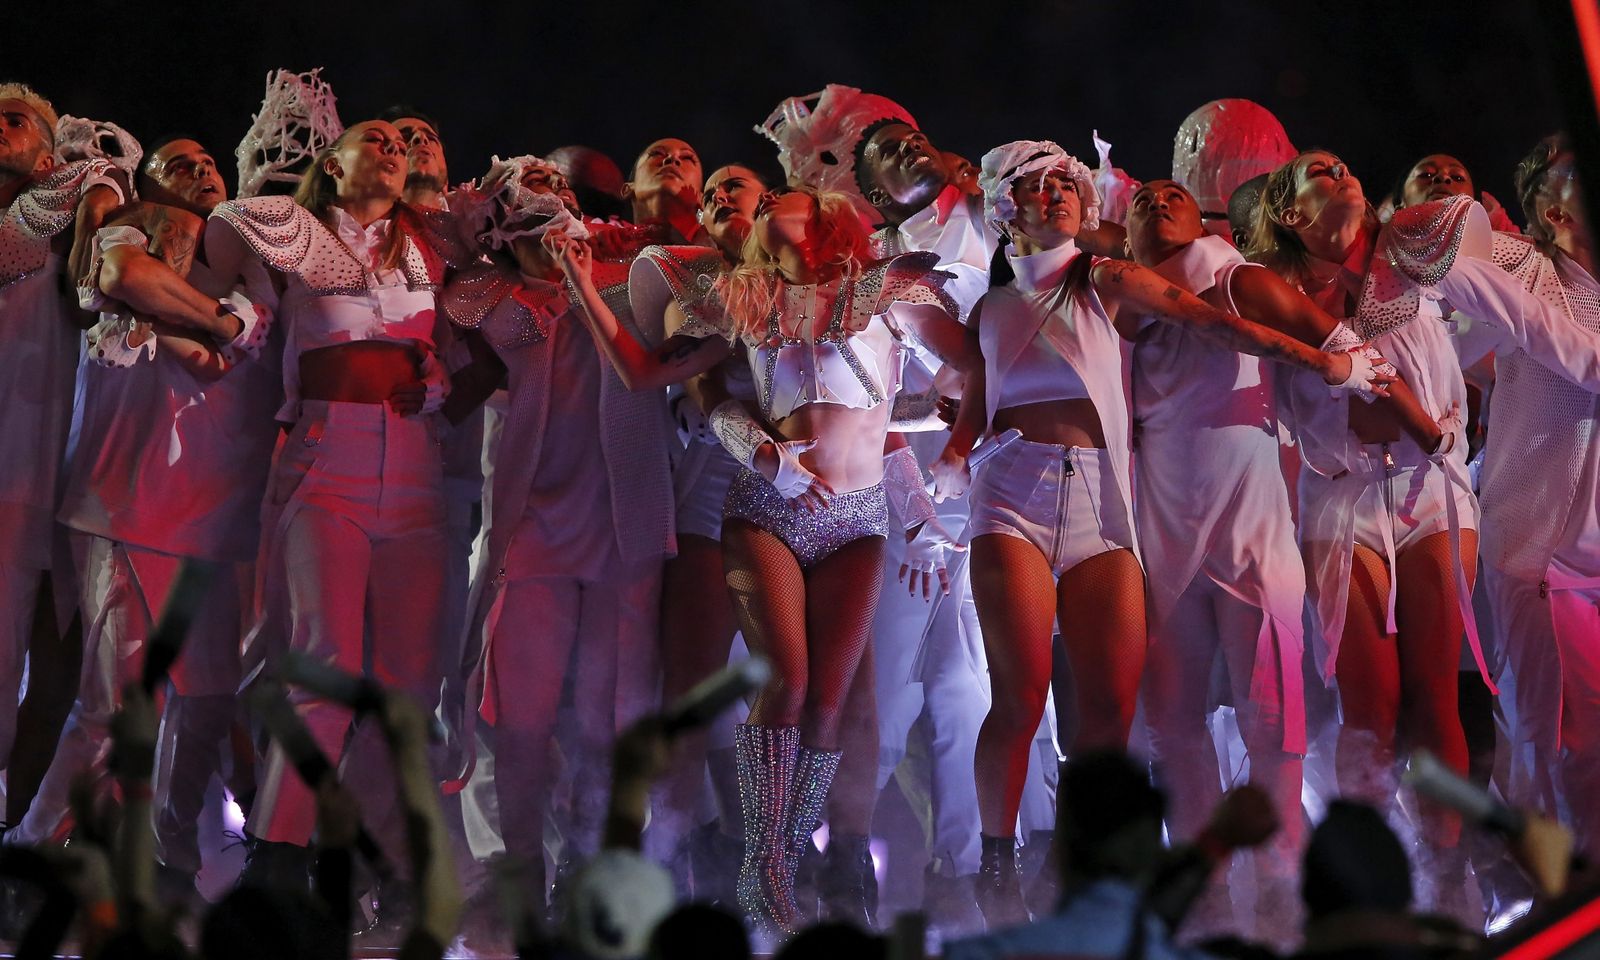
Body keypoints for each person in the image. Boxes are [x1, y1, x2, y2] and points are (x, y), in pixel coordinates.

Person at [936, 141, 1384, 928]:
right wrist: (947, 456)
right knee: (1023, 693)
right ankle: (998, 865)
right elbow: (980, 394)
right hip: (1012, 496)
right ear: (1007, 209)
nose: (1056, 196)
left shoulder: (1108, 279)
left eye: (1065, 185)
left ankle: (1118, 865)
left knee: (1116, 712)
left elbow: (1217, 322)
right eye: (1035, 189)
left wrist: (1322, 359)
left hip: (1106, 505)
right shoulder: (995, 306)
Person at [1247, 149, 1600, 914]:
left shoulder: (1416, 256)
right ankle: (1374, 884)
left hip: (1431, 489)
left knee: (1436, 693)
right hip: (1340, 500)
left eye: (1344, 167)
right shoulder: (1267, 294)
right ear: (1288, 212)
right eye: (1317, 171)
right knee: (1371, 707)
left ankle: (1447, 874)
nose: (1340, 172)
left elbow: (1528, 320)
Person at [14, 136, 277, 913]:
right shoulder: (126, 228)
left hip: (215, 516)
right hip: (124, 505)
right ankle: (27, 862)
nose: (201, 171)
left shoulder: (252, 258)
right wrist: (220, 325)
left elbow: (253, 341)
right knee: (114, 709)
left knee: (203, 702)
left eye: (209, 163)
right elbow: (127, 277)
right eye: (180, 163)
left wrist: (211, 325)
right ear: (148, 180)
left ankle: (171, 864)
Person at [758, 83, 996, 927]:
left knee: (980, 696)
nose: (907, 154)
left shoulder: (1003, 211)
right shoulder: (866, 265)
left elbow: (998, 354)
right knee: (882, 693)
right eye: (879, 151)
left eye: (910, 138)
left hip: (997, 476)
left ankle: (977, 867)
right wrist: (914, 428)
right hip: (891, 483)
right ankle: (828, 855)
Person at [201, 121, 451, 905]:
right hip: (324, 465)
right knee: (324, 664)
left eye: (399, 145)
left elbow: (455, 347)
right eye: (371, 138)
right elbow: (216, 233)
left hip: (415, 472)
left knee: (409, 687)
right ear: (329, 164)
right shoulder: (291, 232)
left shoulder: (429, 243)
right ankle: (275, 858)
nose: (391, 148)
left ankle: (380, 868)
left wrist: (439, 375)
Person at [440, 155, 674, 913]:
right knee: (522, 716)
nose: (554, 204)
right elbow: (450, 326)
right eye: (533, 196)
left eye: (561, 193)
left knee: (610, 712)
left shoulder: (626, 275)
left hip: (620, 524)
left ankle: (594, 862)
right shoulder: (486, 291)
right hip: (533, 526)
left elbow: (704, 277)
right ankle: (518, 870)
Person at [0, 82, 124, 822]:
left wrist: (94, 184)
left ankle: (19, 835)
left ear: (48, 153)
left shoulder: (70, 216)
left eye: (13, 123)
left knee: (53, 670)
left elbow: (89, 299)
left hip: (41, 474)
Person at [1483, 134, 1600, 862]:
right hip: (1539, 555)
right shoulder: (1517, 267)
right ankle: (1557, 902)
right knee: (1560, 735)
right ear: (1548, 210)